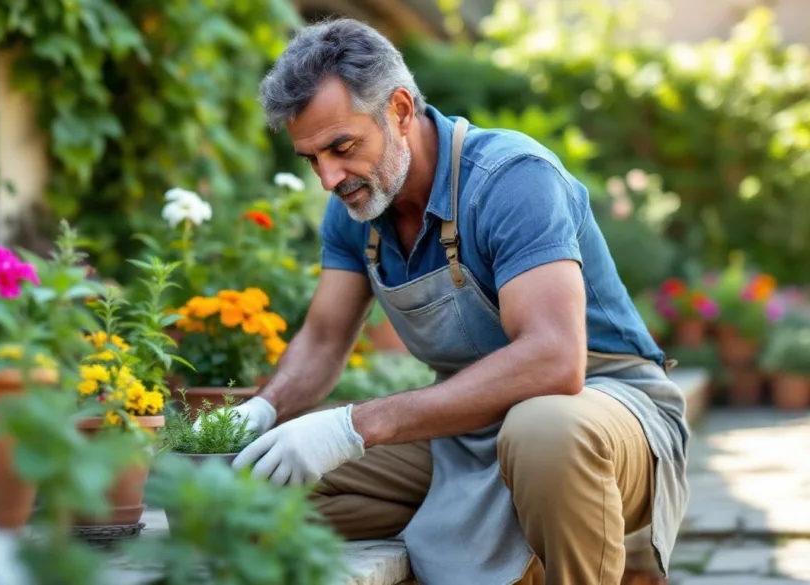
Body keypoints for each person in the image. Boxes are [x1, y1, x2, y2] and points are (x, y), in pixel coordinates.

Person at [222, 18, 689, 585]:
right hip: (464, 429)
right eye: (311, 158)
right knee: (250, 491)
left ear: (398, 108)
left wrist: (355, 426)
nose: (328, 177)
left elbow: (553, 360)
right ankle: (513, 533)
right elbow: (322, 339)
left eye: (341, 147)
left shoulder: (510, 178)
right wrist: (260, 413)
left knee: (543, 432)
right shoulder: (359, 208)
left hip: (599, 408)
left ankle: (583, 536)